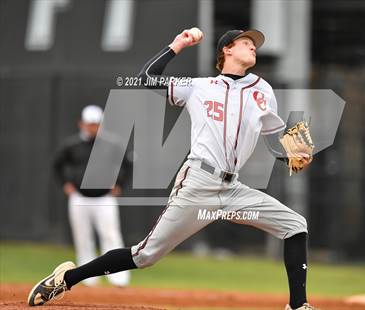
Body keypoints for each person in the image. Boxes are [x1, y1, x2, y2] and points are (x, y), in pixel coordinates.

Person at [28, 29, 317, 310]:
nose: (253, 46)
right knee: (145, 255)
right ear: (226, 50)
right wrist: (177, 45)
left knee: (295, 226)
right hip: (198, 183)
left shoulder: (263, 90)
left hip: (233, 189)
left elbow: (275, 143)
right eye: (245, 42)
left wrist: (292, 156)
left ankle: (298, 305)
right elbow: (146, 79)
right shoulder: (199, 87)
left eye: (254, 43)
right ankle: (65, 279)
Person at [52, 105, 131, 287]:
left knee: (111, 236)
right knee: (82, 238)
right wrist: (66, 183)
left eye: (96, 124)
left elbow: (126, 164)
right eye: (89, 124)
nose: (92, 127)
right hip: (79, 199)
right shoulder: (72, 146)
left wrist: (119, 184)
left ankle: (118, 278)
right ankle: (89, 280)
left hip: (104, 199)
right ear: (81, 124)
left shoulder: (111, 145)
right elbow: (57, 164)